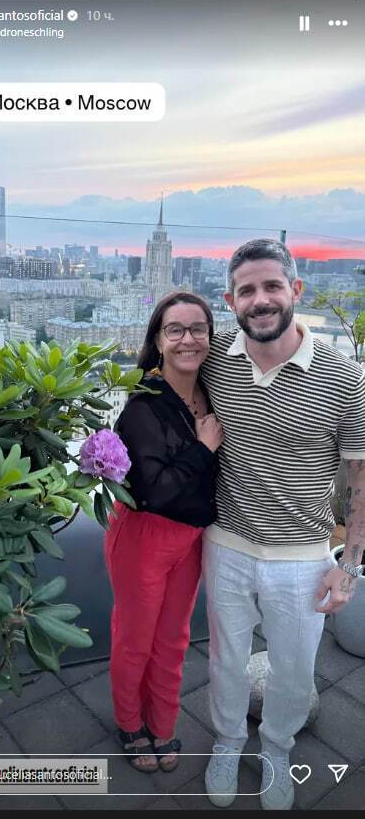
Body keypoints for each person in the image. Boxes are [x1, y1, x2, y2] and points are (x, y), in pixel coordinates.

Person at [201, 238, 365, 810]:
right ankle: (227, 742)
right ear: (230, 301)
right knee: (225, 659)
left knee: (294, 669)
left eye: (272, 285)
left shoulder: (344, 377)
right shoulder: (214, 361)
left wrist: (349, 566)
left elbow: (361, 479)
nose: (260, 299)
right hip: (227, 542)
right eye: (246, 290)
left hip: (301, 555)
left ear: (295, 289)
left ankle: (276, 748)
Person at [105, 291, 223, 773]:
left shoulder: (211, 392)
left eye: (198, 329)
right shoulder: (144, 406)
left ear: (211, 336)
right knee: (135, 638)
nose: (187, 339)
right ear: (157, 340)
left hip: (190, 537)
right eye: (175, 330)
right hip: (144, 535)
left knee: (173, 638)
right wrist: (203, 448)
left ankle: (163, 722)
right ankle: (130, 722)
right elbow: (154, 490)